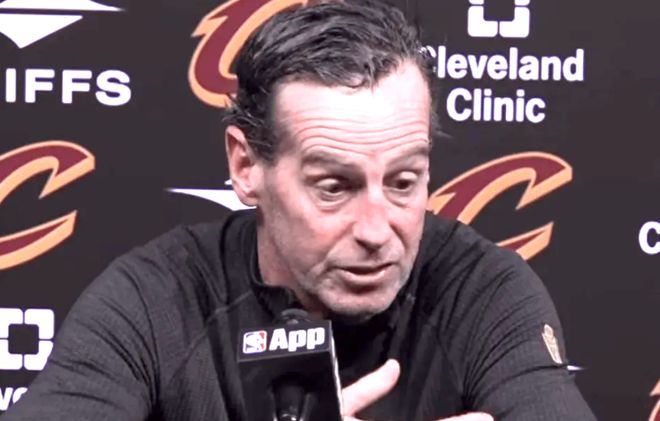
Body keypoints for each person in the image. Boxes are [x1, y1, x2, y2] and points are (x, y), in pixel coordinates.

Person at [2, 1, 596, 420]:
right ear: (246, 165)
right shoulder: (155, 300)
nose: (376, 231)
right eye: (334, 187)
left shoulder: (481, 290)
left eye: (403, 182)